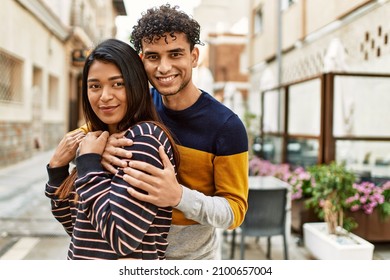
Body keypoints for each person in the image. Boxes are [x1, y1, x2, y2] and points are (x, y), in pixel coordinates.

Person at [45, 38, 179, 260]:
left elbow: (120, 238)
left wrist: (88, 163)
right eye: (95, 86)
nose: (105, 96)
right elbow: (76, 227)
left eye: (118, 84)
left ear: (135, 85)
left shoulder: (144, 139)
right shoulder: (98, 141)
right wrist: (57, 170)